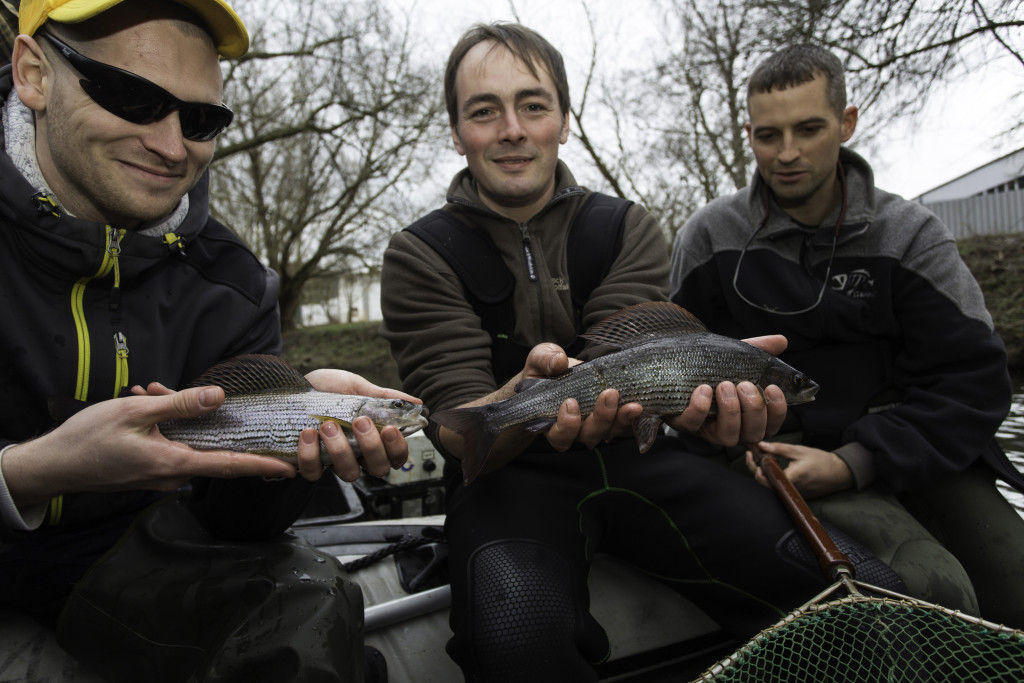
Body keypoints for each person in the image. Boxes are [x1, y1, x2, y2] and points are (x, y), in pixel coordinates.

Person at [378, 23, 856, 682]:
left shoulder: (626, 226)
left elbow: (638, 366)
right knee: (516, 640)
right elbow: (461, 426)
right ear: (457, 133)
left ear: (564, 122)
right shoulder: (417, 253)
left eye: (534, 105)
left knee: (863, 589)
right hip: (507, 479)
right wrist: (521, 393)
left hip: (643, 454)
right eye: (484, 112)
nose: (512, 128)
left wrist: (713, 418)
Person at [0, 0, 414, 680]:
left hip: (122, 566)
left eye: (201, 119)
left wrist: (291, 442)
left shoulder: (238, 286)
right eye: (132, 96)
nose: (171, 146)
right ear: (33, 73)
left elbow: (234, 525)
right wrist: (30, 472)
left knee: (309, 610)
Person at [670, 43, 1024, 627]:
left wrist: (856, 461)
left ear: (846, 122)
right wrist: (711, 431)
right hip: (777, 461)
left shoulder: (909, 234)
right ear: (749, 134)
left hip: (918, 449)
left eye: (809, 129)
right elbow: (678, 381)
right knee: (933, 590)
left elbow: (978, 383)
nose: (786, 154)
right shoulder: (709, 238)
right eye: (767, 135)